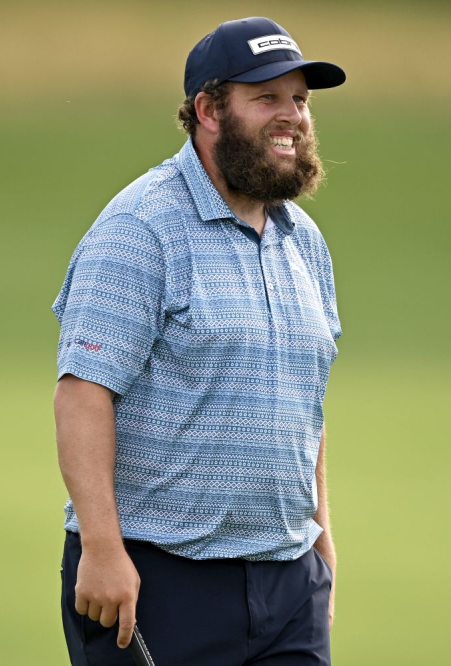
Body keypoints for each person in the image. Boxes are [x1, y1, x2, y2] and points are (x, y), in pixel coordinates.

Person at [52, 17, 346, 666]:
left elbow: (305, 403)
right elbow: (82, 394)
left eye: (299, 99)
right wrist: (102, 548)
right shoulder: (141, 227)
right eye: (267, 98)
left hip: (288, 580)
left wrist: (320, 539)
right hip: (158, 577)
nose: (292, 116)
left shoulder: (305, 243)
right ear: (209, 111)